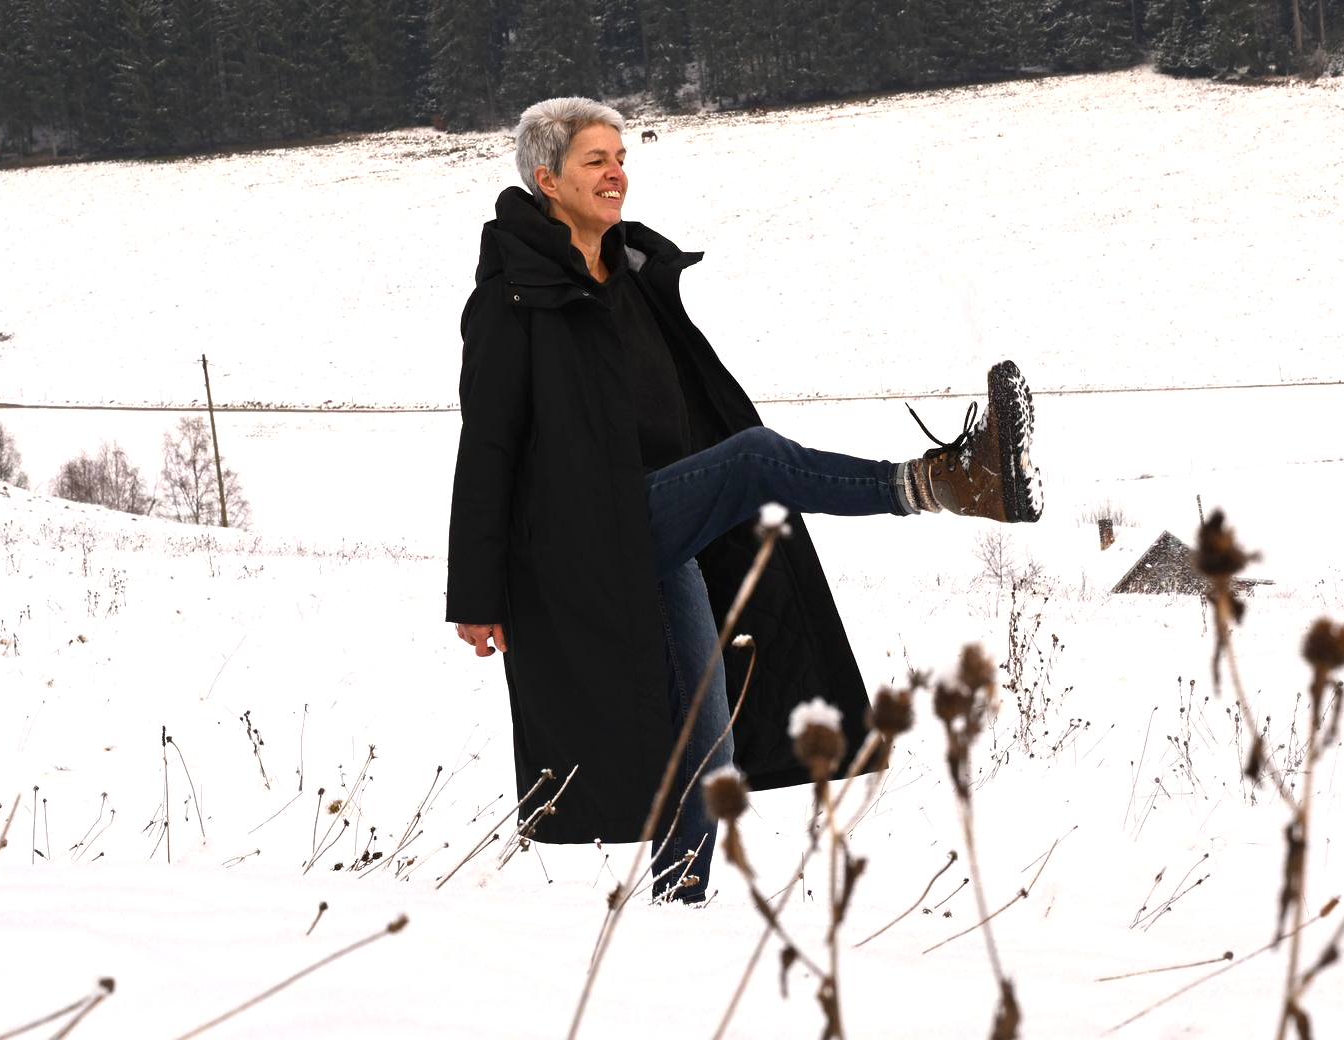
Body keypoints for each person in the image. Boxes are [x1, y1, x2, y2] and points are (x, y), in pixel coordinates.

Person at [446, 97, 1041, 904]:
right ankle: (946, 481)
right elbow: (486, 449)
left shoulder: (631, 278)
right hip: (581, 536)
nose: (617, 171)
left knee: (705, 733)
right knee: (759, 461)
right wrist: (477, 595)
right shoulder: (511, 302)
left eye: (621, 156)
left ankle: (681, 905)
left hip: (658, 530)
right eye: (596, 160)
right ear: (546, 178)